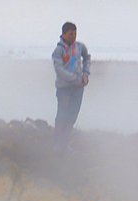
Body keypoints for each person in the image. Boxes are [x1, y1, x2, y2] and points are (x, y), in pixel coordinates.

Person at [52, 21, 91, 149]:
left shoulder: (80, 47)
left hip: (78, 89)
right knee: (62, 115)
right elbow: (59, 69)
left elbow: (87, 58)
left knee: (72, 115)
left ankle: (65, 143)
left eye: (75, 33)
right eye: (70, 34)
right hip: (64, 89)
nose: (73, 36)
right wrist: (75, 79)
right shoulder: (58, 50)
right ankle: (57, 144)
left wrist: (86, 73)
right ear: (63, 34)